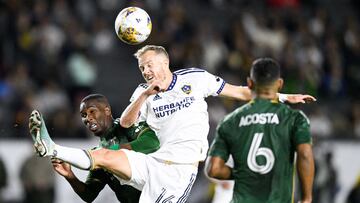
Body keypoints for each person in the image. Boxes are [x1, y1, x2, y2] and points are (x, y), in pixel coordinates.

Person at [29, 45, 315, 203]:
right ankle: (52, 148)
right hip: (154, 162)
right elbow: (126, 122)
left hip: (179, 172)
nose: (146, 70)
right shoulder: (143, 93)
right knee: (103, 156)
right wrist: (143, 94)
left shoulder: (195, 78)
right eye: (142, 67)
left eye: (150, 64)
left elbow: (240, 91)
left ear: (165, 63)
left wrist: (284, 96)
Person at [206, 58, 315, 203]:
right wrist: (307, 198)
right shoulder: (294, 118)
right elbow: (305, 155)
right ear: (280, 84)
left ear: (250, 83)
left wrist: (242, 173)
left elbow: (213, 169)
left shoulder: (230, 122)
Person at [36, 94, 160, 203]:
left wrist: (116, 151)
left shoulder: (127, 125)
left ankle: (53, 148)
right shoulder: (99, 154)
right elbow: (89, 194)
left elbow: (152, 142)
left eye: (92, 111)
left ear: (107, 110)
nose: (88, 118)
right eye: (83, 115)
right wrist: (70, 176)